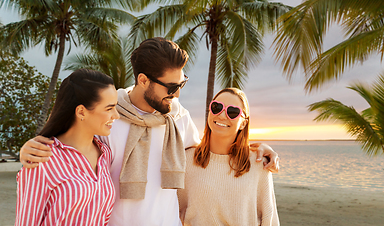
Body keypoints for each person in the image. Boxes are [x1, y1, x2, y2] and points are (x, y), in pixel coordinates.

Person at [19, 37, 279, 226]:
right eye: (171, 86)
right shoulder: (108, 117)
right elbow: (68, 146)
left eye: (182, 83)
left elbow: (210, 153)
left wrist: (254, 147)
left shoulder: (178, 117)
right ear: (143, 80)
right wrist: (29, 148)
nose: (177, 93)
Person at [15, 69, 120, 225]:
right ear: (81, 112)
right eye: (109, 108)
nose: (116, 115)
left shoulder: (105, 154)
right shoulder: (43, 159)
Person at [178, 88, 279, 226]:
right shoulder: (186, 160)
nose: (222, 115)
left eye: (232, 112)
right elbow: (173, 213)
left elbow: (269, 219)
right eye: (216, 107)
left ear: (244, 122)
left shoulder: (259, 163)